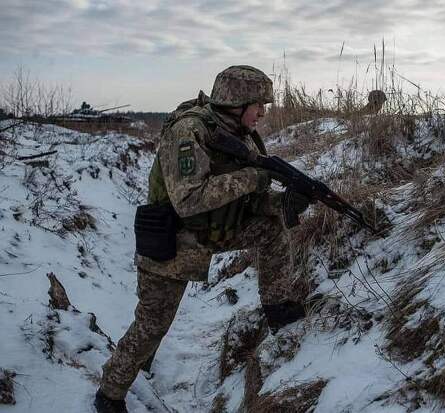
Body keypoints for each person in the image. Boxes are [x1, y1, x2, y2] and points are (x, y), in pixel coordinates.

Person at [94, 65, 310, 413]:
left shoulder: (239, 133)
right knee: (151, 326)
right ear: (238, 102)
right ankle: (110, 393)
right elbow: (189, 198)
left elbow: (247, 199)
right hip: (171, 243)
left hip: (209, 233)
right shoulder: (188, 131)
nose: (264, 112)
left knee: (271, 229)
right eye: (259, 104)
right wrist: (253, 179)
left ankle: (277, 307)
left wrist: (283, 202)